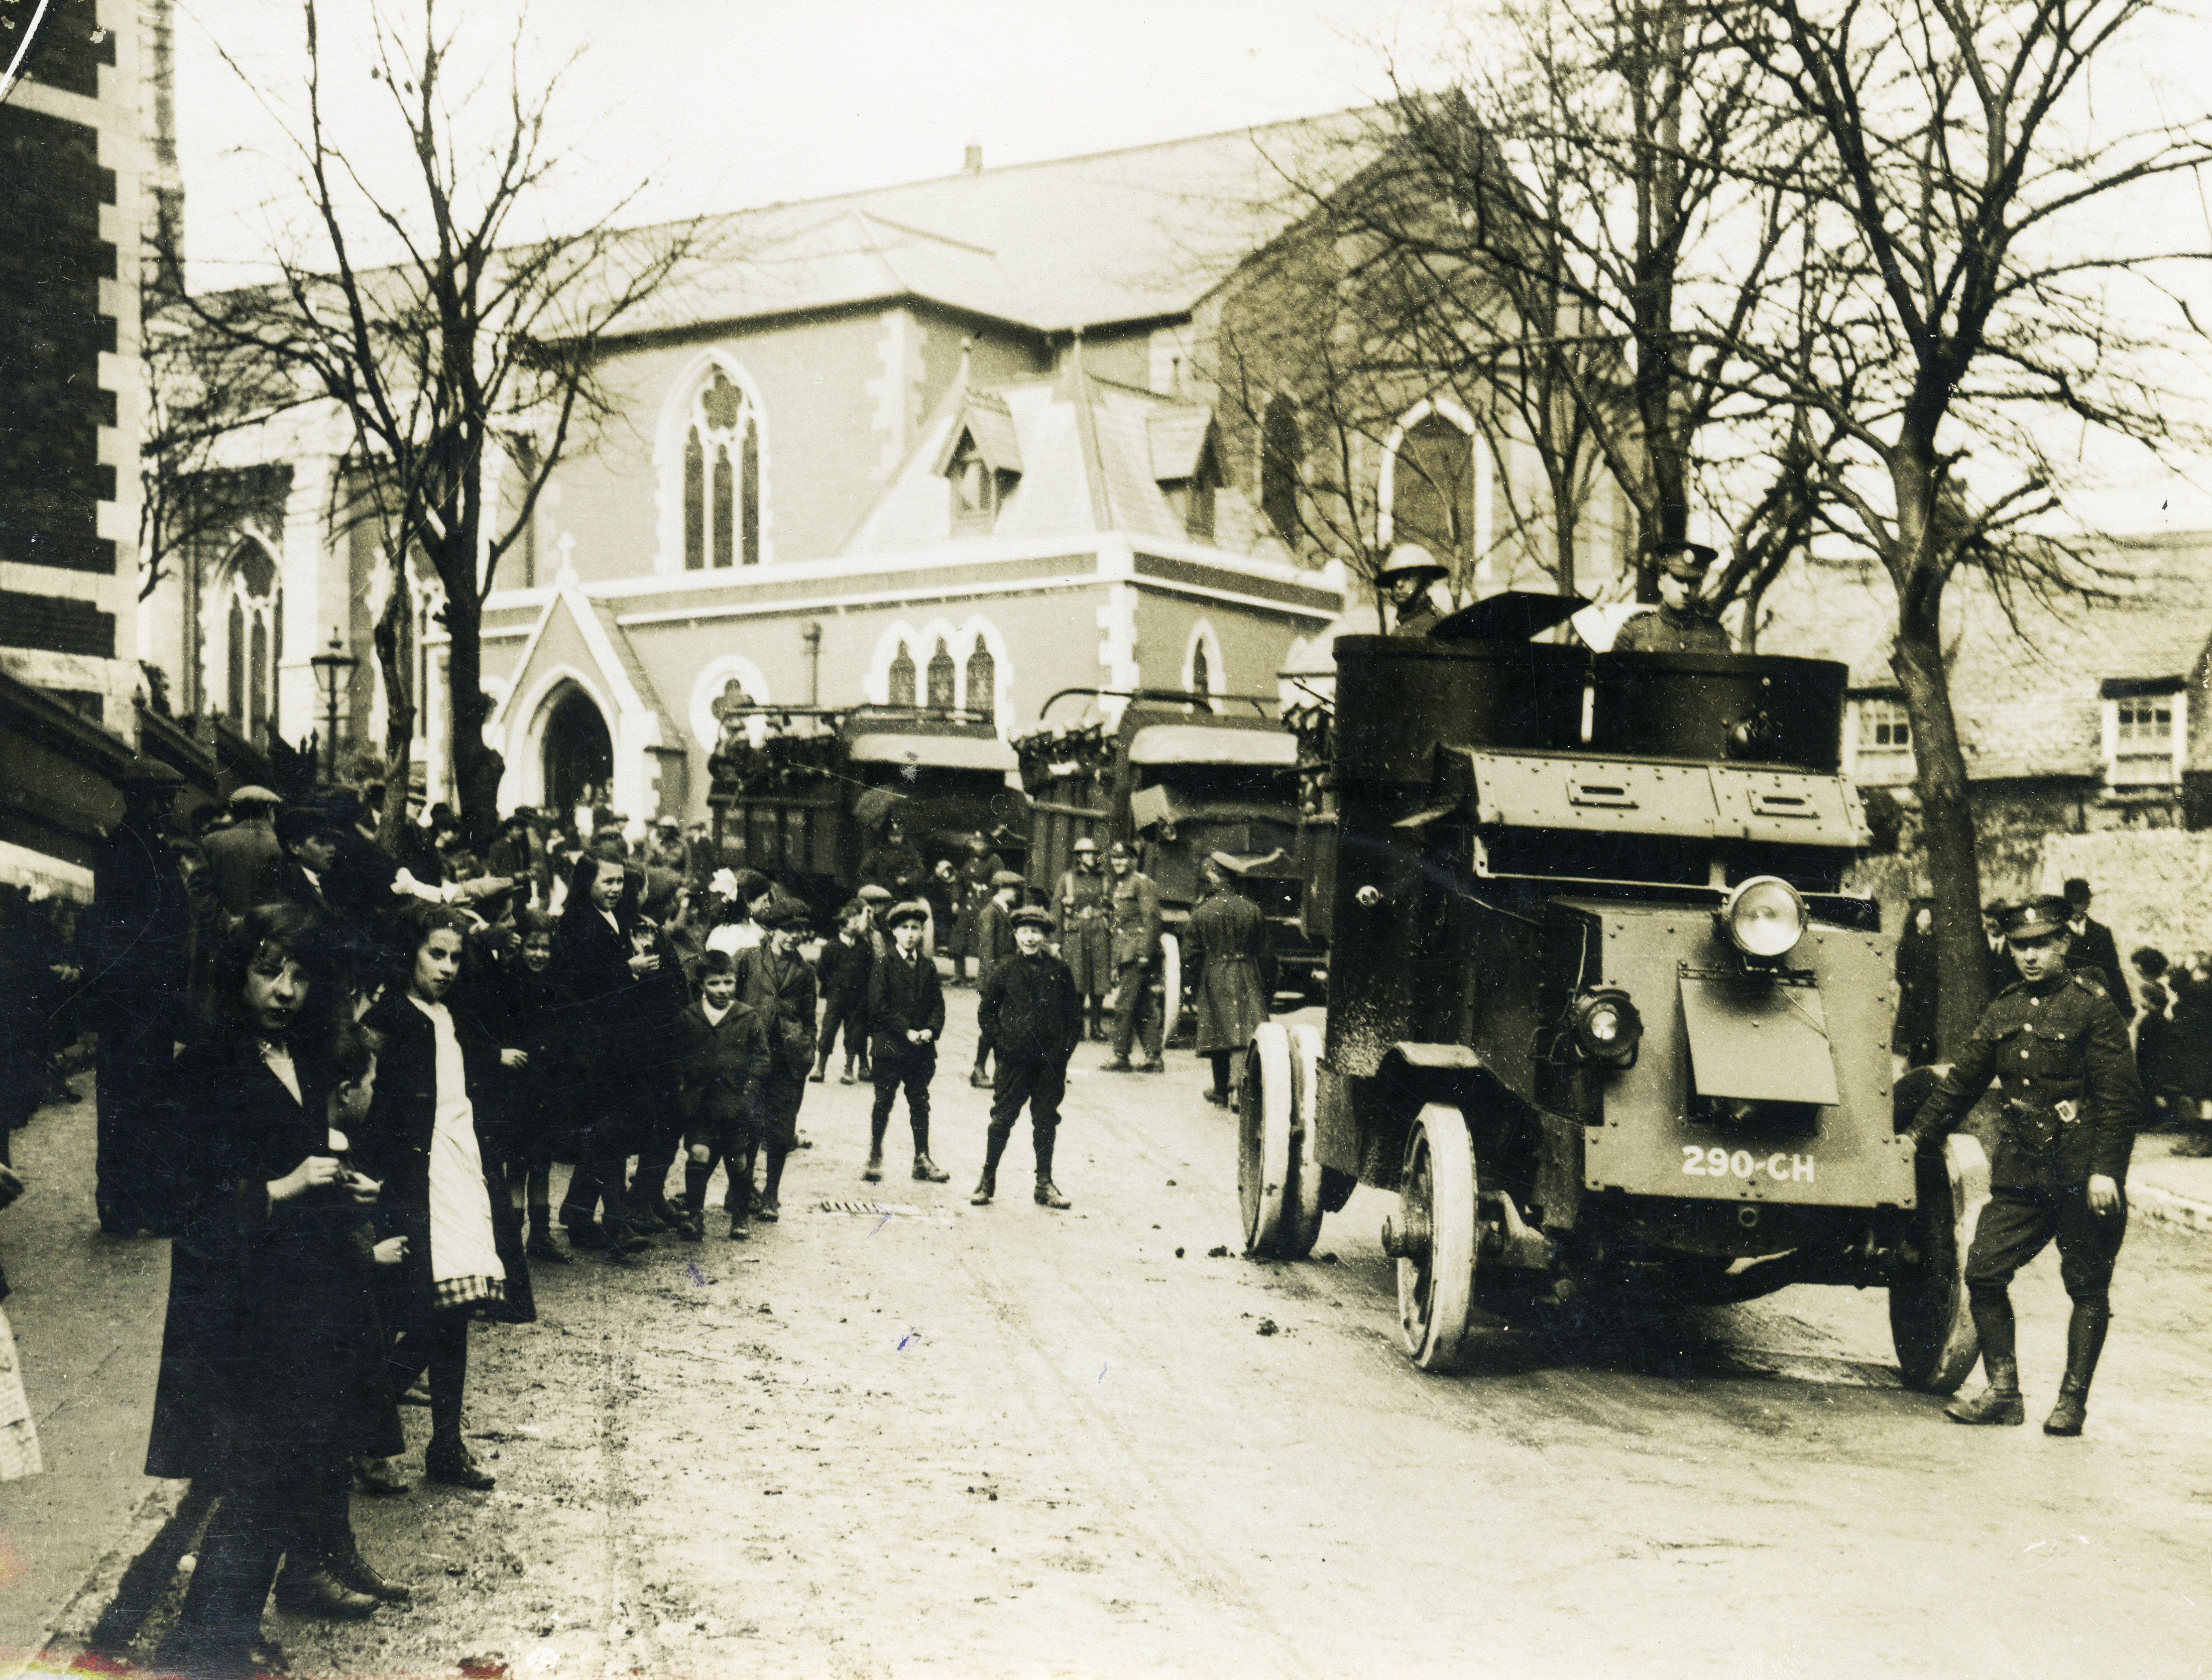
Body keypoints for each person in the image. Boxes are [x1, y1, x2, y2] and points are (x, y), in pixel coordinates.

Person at [142, 907, 406, 1677]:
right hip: (243, 1307)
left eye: (299, 974)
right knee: (257, 1471)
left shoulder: (304, 1057)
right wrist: (281, 1187)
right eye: (268, 970)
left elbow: (302, 1155)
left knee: (288, 1467)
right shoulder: (206, 1066)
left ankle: (220, 1634)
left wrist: (341, 1187)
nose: (286, 990)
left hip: (308, 1299)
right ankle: (204, 1646)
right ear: (237, 973)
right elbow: (176, 1197)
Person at [1904, 895, 2142, 1436]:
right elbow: (1962, 1081)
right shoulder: (2005, 1008)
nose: (2029, 956)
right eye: (2019, 946)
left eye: (2041, 945)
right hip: (2023, 1171)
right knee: (1983, 1271)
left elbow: (2120, 1098)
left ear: (2064, 944)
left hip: (2082, 1174)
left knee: (2086, 1287)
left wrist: (2106, 1171)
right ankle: (2003, 1394)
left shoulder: (2093, 1007)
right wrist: (1915, 1135)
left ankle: (2071, 1403)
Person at [359, 904, 534, 1491]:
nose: (447, 967)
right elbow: (364, 1100)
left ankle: (445, 1446)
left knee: (456, 1311)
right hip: (413, 1181)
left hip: (460, 1172)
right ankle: (364, 1433)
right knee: (420, 1312)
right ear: (409, 952)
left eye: (456, 957)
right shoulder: (387, 1017)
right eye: (436, 953)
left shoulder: (450, 1013)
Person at [79, 755, 193, 1235]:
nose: (169, 806)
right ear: (140, 800)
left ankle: (126, 1205)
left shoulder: (139, 845)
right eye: (162, 799)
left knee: (131, 1100)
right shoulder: (130, 850)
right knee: (137, 1102)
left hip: (140, 1000)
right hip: (137, 1000)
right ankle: (132, 1205)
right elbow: (125, 931)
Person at [551, 855, 659, 1254]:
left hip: (615, 1043)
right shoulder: (576, 921)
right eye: (607, 881)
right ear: (587, 882)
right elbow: (576, 982)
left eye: (619, 882)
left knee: (609, 1131)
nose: (616, 889)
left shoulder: (611, 917)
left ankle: (581, 1215)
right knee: (606, 1131)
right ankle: (612, 1222)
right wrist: (628, 968)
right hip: (592, 1045)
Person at [972, 904, 1081, 1210]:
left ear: (1044, 936)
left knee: (1045, 1120)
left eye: (1036, 932)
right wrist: (1003, 1045)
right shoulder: (1004, 969)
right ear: (1016, 935)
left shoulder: (1060, 970)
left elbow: (1074, 1018)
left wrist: (1063, 1053)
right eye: (1024, 932)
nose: (1030, 938)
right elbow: (986, 1013)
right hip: (1014, 1062)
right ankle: (987, 1180)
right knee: (1002, 1119)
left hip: (1050, 1064)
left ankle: (1044, 1184)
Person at [673, 948, 769, 1241]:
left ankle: (740, 1217)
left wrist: (748, 1091)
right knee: (699, 1152)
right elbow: (677, 1057)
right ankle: (695, 1216)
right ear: (701, 984)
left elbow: (762, 1058)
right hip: (699, 1102)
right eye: (714, 983)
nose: (723, 989)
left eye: (728, 982)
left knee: (738, 1159)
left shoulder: (747, 1017)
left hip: (734, 1103)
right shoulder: (689, 1017)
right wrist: (682, 1087)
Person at [732, 900, 818, 1221]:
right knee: (749, 1125)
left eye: (800, 930)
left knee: (781, 1132)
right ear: (771, 930)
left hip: (789, 1062)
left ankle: (771, 1196)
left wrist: (808, 1049)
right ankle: (740, 1191)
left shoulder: (806, 972)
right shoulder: (747, 959)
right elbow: (730, 999)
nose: (794, 936)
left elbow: (810, 1018)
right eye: (787, 929)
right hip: (752, 1058)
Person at [866, 901, 948, 1183]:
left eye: (916, 928)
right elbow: (878, 1007)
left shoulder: (927, 966)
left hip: (920, 1049)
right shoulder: (883, 964)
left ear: (923, 932)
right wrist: (907, 1030)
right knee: (883, 1101)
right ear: (893, 931)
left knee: (920, 1102)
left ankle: (922, 1158)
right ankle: (875, 1154)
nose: (910, 934)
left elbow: (938, 1004)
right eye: (904, 928)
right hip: (890, 1047)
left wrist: (931, 1029)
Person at [1186, 855, 1272, 1107]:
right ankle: (1242, 1088)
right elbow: (1267, 955)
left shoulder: (1202, 912)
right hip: (1247, 973)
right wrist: (1266, 988)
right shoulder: (1252, 909)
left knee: (1218, 1033)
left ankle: (1222, 1089)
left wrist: (1193, 984)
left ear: (1214, 876)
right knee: (1246, 1031)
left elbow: (1191, 955)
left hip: (1214, 974)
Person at [1104, 841, 1165, 1074]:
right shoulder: (1121, 885)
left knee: (1124, 1005)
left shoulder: (1142, 883)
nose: (1118, 862)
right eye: (1115, 858)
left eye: (1123, 858)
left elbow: (1152, 919)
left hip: (1136, 953)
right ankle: (1153, 1057)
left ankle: (1121, 1056)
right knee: (1141, 1005)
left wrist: (1145, 954)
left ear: (1133, 861)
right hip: (1126, 951)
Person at [1613, 541, 1732, 653]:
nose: (1686, 590)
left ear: (1700, 585)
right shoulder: (1634, 633)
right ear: (1661, 582)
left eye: (1693, 582)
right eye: (1679, 580)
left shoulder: (1717, 637)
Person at [1053, 837, 1113, 1042]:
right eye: (1087, 853)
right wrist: (1056, 940)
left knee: (1099, 982)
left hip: (1098, 933)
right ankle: (1076, 1026)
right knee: (1076, 982)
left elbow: (1112, 908)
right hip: (1075, 934)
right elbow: (1056, 910)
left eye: (1094, 854)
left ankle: (1096, 1027)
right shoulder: (1067, 879)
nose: (1091, 857)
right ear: (1078, 857)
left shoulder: (1105, 879)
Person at [967, 870, 1022, 1088]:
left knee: (1002, 1025)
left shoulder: (1004, 911)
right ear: (1001, 889)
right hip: (995, 980)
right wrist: (993, 983)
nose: (1016, 893)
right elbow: (987, 953)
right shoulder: (991, 913)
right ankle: (979, 1070)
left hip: (1005, 979)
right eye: (1013, 889)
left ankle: (999, 1072)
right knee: (991, 1027)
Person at [198, 785, 287, 919]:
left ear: (235, 813)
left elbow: (201, 891)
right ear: (269, 812)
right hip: (269, 927)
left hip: (221, 927)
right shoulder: (283, 845)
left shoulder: (210, 842)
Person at [811, 900, 874, 1085]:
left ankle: (849, 1070)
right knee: (828, 1030)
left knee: (855, 1033)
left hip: (858, 998)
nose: (856, 926)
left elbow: (870, 971)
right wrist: (833, 986)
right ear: (841, 927)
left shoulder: (865, 947)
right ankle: (820, 1067)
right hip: (837, 997)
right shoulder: (831, 947)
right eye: (852, 923)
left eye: (857, 923)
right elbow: (821, 972)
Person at [2061, 878, 2131, 1017]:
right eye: (2070, 902)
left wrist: (2125, 1008)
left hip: (2095, 1002)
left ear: (2087, 903)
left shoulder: (2101, 933)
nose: (2074, 907)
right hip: (2066, 1002)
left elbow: (2113, 970)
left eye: (2079, 902)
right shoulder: (2057, 932)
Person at [949, 833, 1004, 986]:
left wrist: (990, 897)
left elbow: (1000, 880)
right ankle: (959, 975)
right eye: (976, 844)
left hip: (985, 904)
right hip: (968, 904)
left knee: (984, 941)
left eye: (982, 844)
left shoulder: (995, 860)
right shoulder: (970, 861)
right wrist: (955, 901)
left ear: (988, 845)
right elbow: (959, 881)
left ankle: (982, 977)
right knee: (959, 936)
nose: (978, 847)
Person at [1892, 898, 1939, 1069]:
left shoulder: (1934, 941)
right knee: (1915, 1032)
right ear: (1915, 919)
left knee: (1930, 1029)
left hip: (1930, 992)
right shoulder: (1907, 941)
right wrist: (1908, 984)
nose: (1926, 922)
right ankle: (1912, 1063)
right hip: (1913, 994)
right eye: (1922, 918)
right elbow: (1900, 969)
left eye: (1929, 918)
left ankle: (1928, 1062)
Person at [1376, 543, 1449, 638]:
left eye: (1408, 576)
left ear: (1427, 581)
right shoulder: (1400, 627)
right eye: (1394, 578)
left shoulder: (1442, 626)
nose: (1399, 584)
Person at [858, 815, 923, 897]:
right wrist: (875, 885)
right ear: (888, 836)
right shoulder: (878, 852)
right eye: (893, 835)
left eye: (898, 835)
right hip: (884, 893)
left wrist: (907, 879)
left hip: (906, 892)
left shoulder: (909, 852)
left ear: (903, 836)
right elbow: (864, 870)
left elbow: (920, 870)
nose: (896, 839)